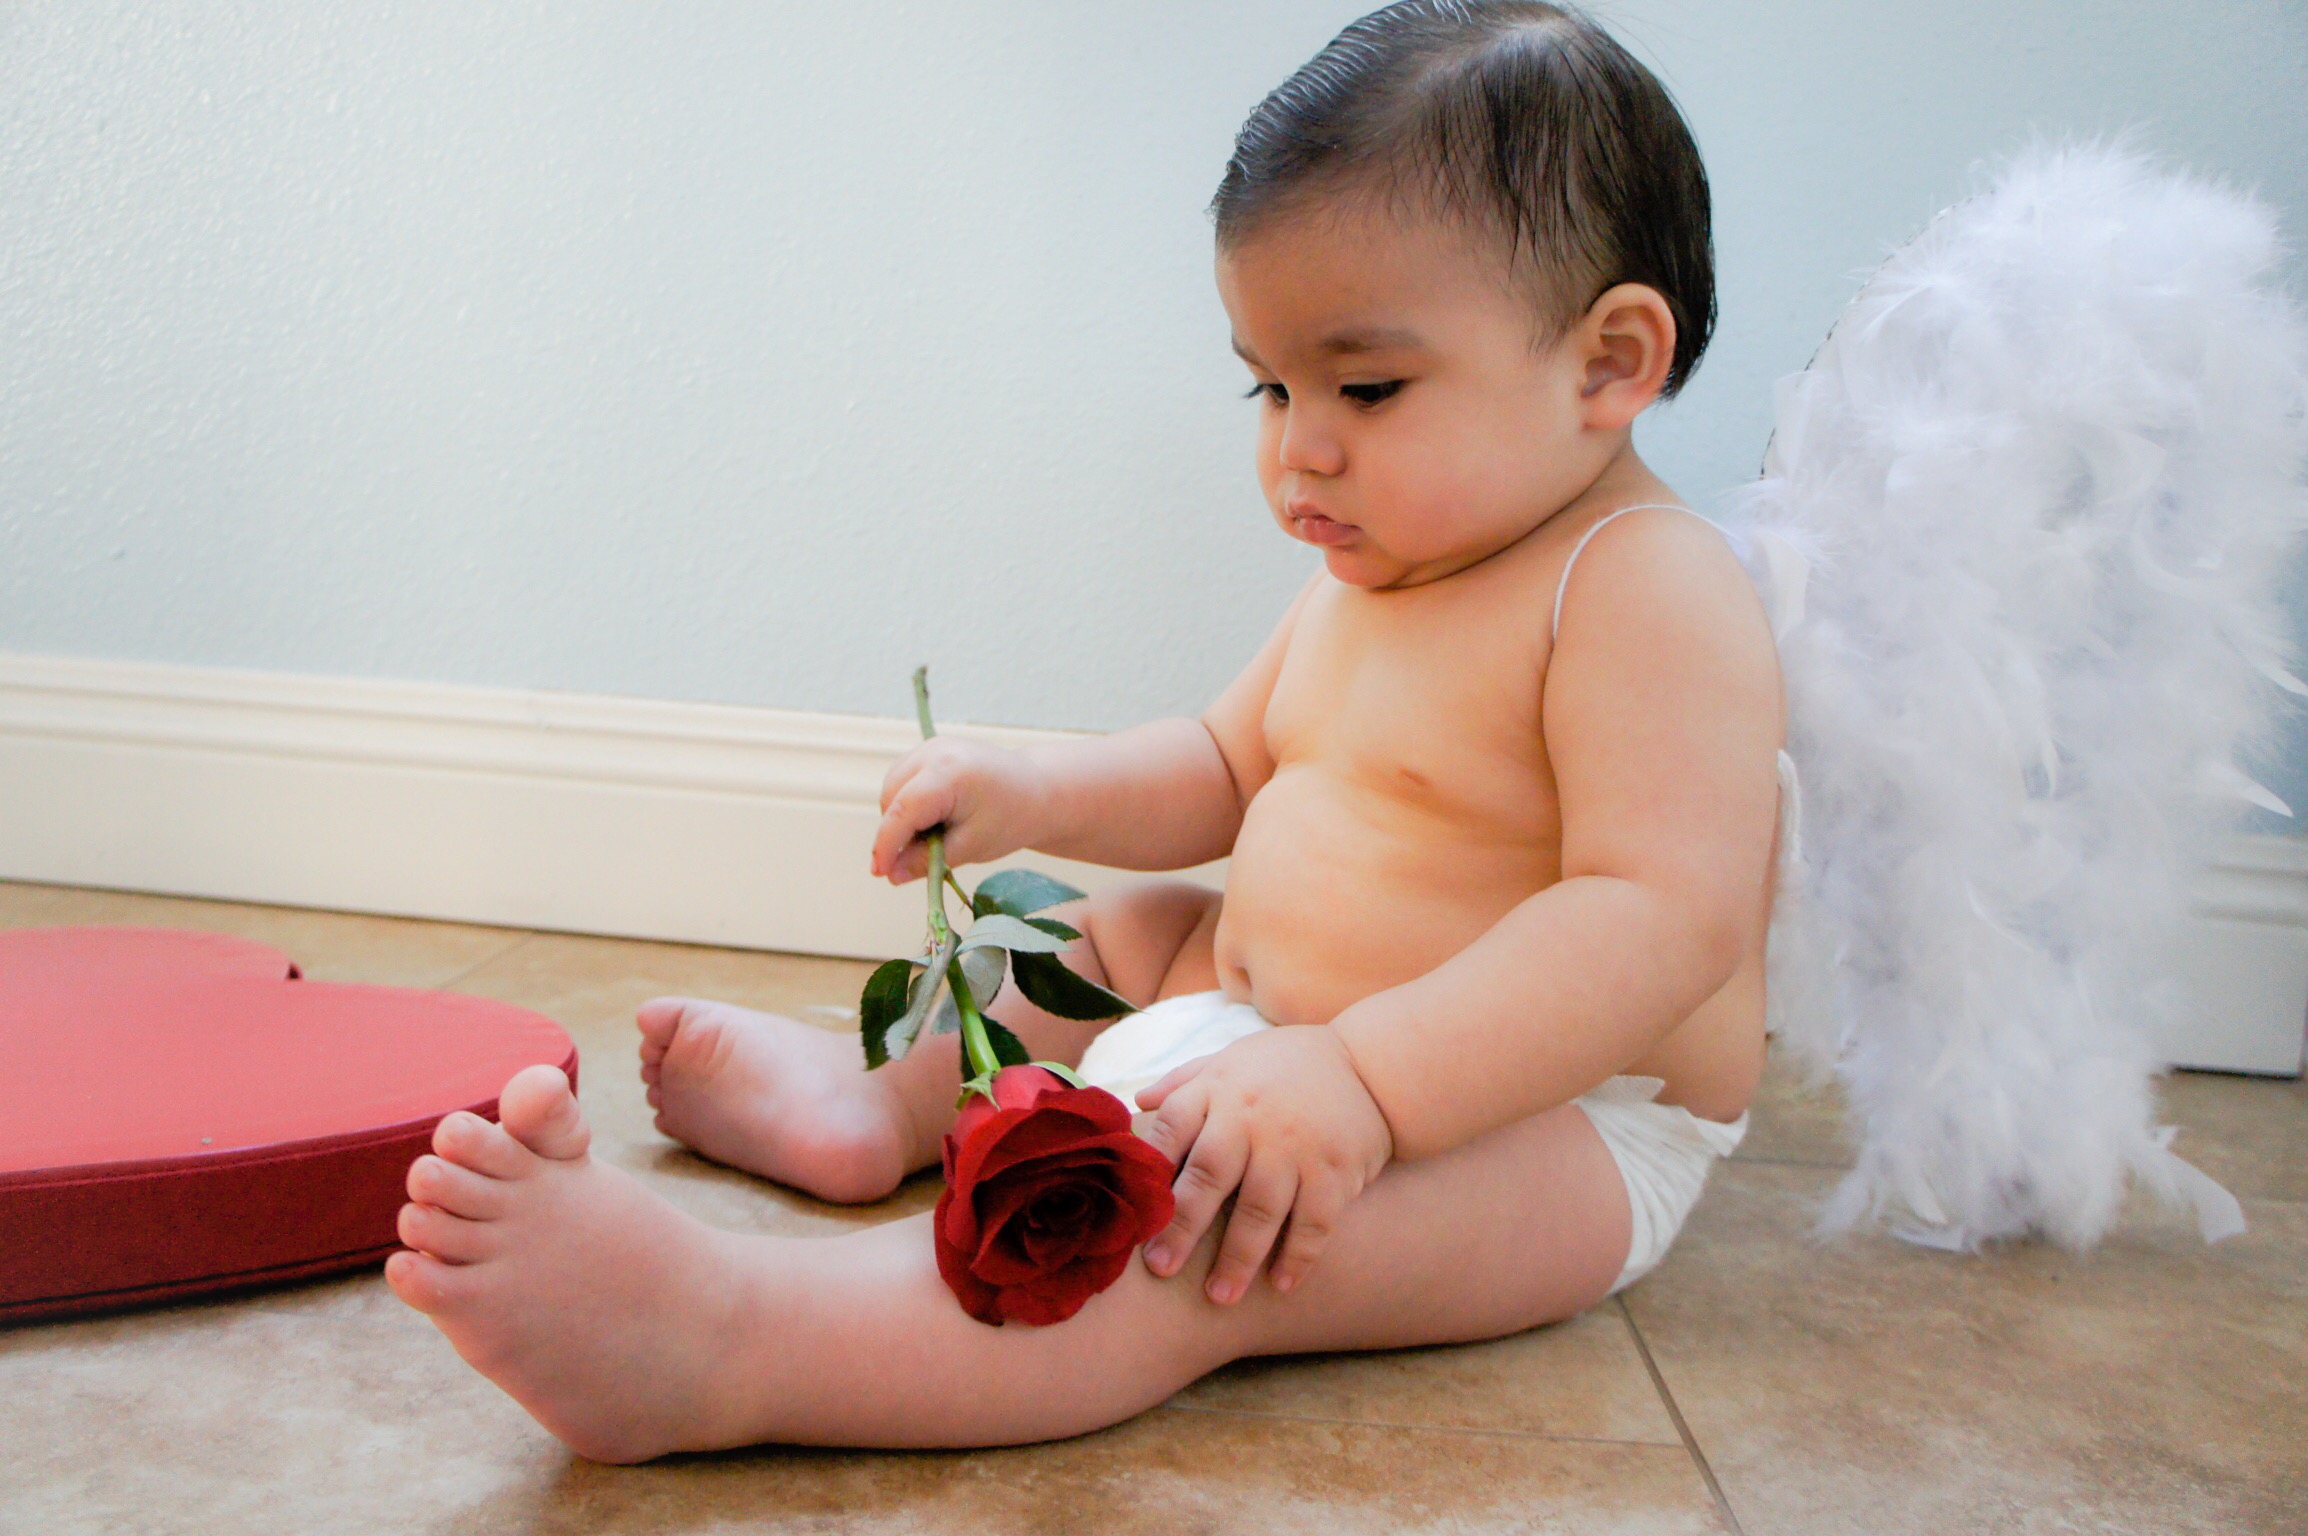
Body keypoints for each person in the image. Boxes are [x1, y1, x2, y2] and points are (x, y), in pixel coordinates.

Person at [385, 0, 1785, 1462]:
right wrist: (1036, 788)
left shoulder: (1641, 589)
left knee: (1195, 1234)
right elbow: (1226, 765)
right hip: (1271, 1034)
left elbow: (1658, 917)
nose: (1299, 446)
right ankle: (876, 1107)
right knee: (1125, 934)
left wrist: (1368, 1084)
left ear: (1608, 362)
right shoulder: (1385, 572)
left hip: (1538, 1125)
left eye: (1366, 388)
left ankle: (729, 1341)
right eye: (1272, 385)